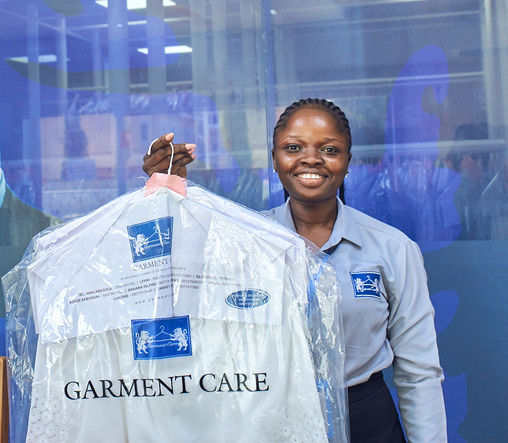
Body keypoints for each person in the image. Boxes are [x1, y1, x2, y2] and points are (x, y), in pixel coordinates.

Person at [142, 98, 447, 442]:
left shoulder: (393, 248)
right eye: (293, 147)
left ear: (348, 161)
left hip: (366, 418)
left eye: (329, 148)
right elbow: (177, 290)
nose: (311, 158)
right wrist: (169, 196)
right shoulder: (244, 242)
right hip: (272, 419)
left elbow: (418, 373)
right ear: (274, 160)